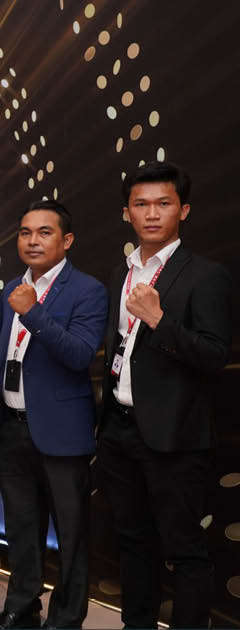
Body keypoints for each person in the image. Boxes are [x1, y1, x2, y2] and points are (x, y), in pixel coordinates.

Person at [97, 162, 231, 628]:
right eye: (141, 204)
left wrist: (158, 320)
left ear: (183, 210)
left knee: (185, 551)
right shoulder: (120, 272)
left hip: (175, 436)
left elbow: (214, 355)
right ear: (127, 213)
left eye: (163, 203)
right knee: (133, 543)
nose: (151, 214)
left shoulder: (206, 275)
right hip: (120, 430)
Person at [0, 200, 107, 629]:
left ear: (66, 240)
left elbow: (79, 355)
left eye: (44, 232)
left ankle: (66, 619)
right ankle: (21, 608)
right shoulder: (11, 288)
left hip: (62, 433)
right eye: (25, 232)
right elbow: (4, 361)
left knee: (71, 534)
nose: (32, 241)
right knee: (21, 529)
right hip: (12, 428)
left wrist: (32, 312)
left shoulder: (88, 290)